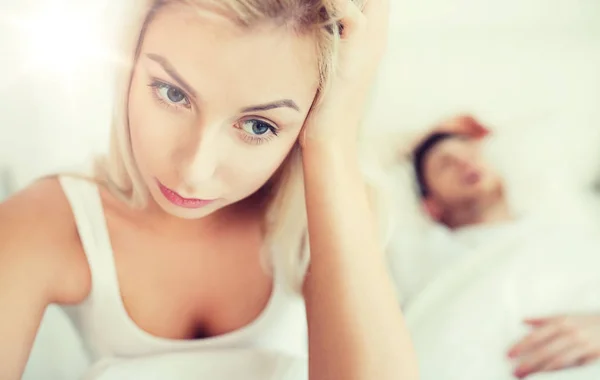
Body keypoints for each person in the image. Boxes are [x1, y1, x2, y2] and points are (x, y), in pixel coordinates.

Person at [0, 1, 418, 379]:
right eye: (172, 93)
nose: (194, 172)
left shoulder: (326, 213)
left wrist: (332, 138)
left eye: (259, 126)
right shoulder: (50, 220)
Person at [402, 115, 600, 379]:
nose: (464, 162)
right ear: (430, 206)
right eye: (445, 165)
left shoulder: (568, 229)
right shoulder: (424, 256)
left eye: (471, 152)